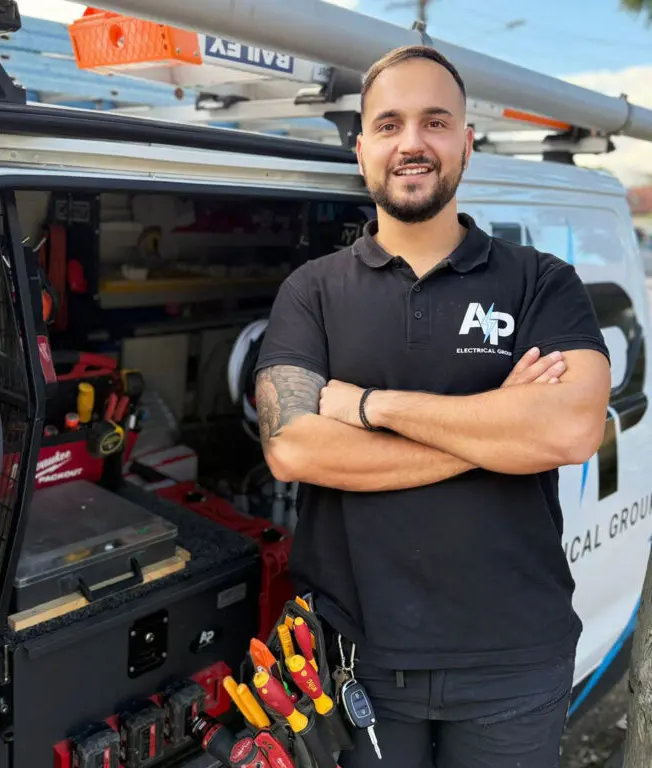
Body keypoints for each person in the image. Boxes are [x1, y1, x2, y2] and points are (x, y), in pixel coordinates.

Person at [253, 45, 611, 768]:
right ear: (362, 149)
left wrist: (369, 405)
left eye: (436, 122)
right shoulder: (312, 292)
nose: (411, 143)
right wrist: (497, 428)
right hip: (353, 662)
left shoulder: (541, 282)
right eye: (389, 125)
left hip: (514, 660)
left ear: (466, 145)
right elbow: (294, 447)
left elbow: (572, 427)